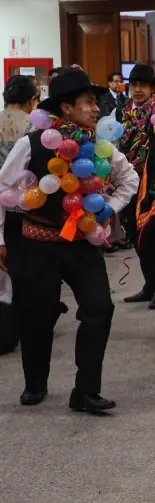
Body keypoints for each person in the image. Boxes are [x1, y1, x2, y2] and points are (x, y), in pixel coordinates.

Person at [0, 68, 139, 412]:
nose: (96, 109)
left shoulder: (101, 147)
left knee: (99, 309)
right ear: (65, 108)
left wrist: (108, 209)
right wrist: (1, 238)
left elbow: (130, 179)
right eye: (90, 102)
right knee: (36, 316)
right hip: (34, 243)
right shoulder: (31, 143)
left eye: (96, 103)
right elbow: (2, 187)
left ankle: (86, 391)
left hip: (79, 241)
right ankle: (35, 383)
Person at [115, 64, 155, 310]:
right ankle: (150, 285)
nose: (137, 90)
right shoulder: (121, 113)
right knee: (135, 236)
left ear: (152, 88)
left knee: (149, 236)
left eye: (143, 85)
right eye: (134, 85)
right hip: (127, 181)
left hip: (153, 181)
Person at [0, 75, 39, 355]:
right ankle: (24, 328)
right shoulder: (33, 127)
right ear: (31, 101)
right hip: (25, 207)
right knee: (24, 271)